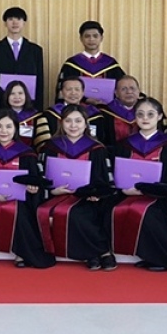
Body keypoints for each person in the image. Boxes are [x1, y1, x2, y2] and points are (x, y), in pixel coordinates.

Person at [109, 97, 167, 272]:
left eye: (150, 114)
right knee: (111, 207)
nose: (145, 118)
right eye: (140, 114)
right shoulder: (125, 145)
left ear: (160, 116)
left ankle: (160, 258)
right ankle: (139, 254)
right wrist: (124, 190)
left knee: (151, 213)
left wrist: (149, 190)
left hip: (160, 196)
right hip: (128, 193)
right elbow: (116, 175)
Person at [37, 104, 118, 271]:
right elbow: (41, 175)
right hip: (57, 194)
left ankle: (100, 252)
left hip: (87, 196)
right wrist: (52, 190)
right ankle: (96, 253)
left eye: (78, 121)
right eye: (68, 121)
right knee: (57, 212)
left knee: (82, 213)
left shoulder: (97, 148)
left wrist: (95, 193)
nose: (73, 125)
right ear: (61, 123)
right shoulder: (50, 147)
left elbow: (103, 179)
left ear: (86, 123)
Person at [0, 110, 55, 269]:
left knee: (21, 213)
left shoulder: (26, 153)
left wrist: (32, 189)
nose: (4, 131)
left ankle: (22, 252)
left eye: (9, 126)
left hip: (19, 200)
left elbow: (34, 181)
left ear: (16, 129)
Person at [0, 7, 46, 110]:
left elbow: (39, 81)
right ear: (5, 23)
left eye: (18, 19)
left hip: (27, 106)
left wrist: (38, 109)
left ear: (24, 23)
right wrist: (3, 96)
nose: (15, 22)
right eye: (10, 19)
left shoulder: (35, 50)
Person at [57, 21, 125, 105]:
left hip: (106, 109)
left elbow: (121, 87)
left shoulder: (111, 64)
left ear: (101, 38)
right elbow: (64, 90)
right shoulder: (71, 64)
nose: (91, 39)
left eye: (95, 36)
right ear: (81, 38)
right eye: (87, 36)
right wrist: (85, 99)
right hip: (78, 109)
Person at [37, 77, 104, 150]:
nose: (73, 93)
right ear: (61, 93)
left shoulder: (94, 114)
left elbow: (100, 139)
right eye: (69, 89)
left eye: (77, 89)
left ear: (83, 93)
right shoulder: (50, 115)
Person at [0, 80, 47, 149]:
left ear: (26, 95)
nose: (17, 97)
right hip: (3, 153)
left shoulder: (37, 117)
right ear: (7, 96)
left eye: (20, 93)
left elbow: (42, 143)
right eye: (12, 93)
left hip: (28, 153)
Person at [98, 75, 143, 145]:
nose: (129, 92)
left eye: (132, 88)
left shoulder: (150, 110)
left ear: (138, 91)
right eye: (124, 89)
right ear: (116, 93)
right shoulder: (105, 113)